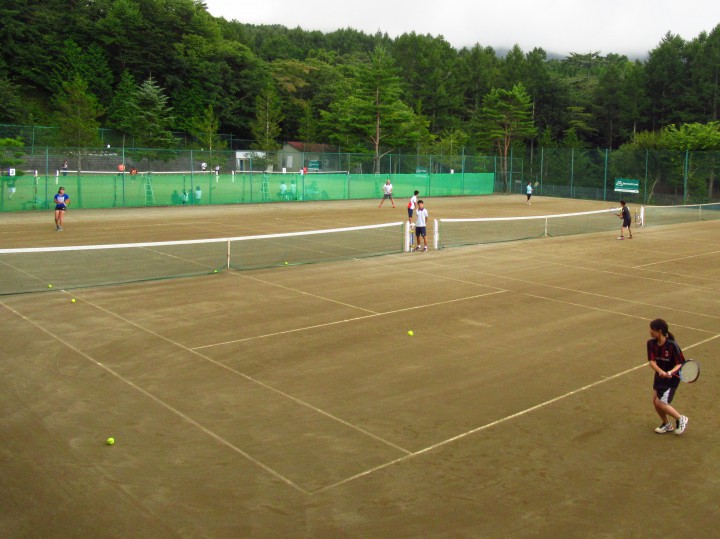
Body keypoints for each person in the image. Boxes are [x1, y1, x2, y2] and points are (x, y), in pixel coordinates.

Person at [647, 318, 689, 435]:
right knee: (655, 401)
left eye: (652, 329)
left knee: (661, 403)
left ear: (659, 331)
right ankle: (666, 424)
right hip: (659, 377)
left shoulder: (672, 345)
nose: (650, 331)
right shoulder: (651, 343)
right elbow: (652, 361)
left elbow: (680, 363)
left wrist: (670, 372)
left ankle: (681, 418)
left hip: (672, 379)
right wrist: (661, 372)